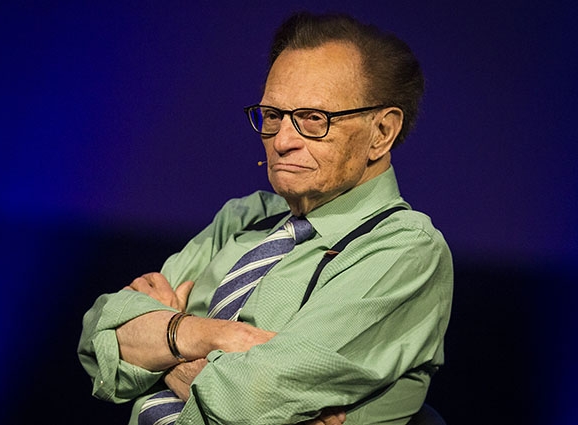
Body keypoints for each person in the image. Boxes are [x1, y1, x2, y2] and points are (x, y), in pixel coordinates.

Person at [78, 12, 453, 425]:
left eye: (314, 118)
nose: (283, 140)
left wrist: (162, 347)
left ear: (381, 132)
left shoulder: (405, 249)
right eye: (273, 115)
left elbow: (249, 399)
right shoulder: (242, 217)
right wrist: (211, 334)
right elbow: (99, 339)